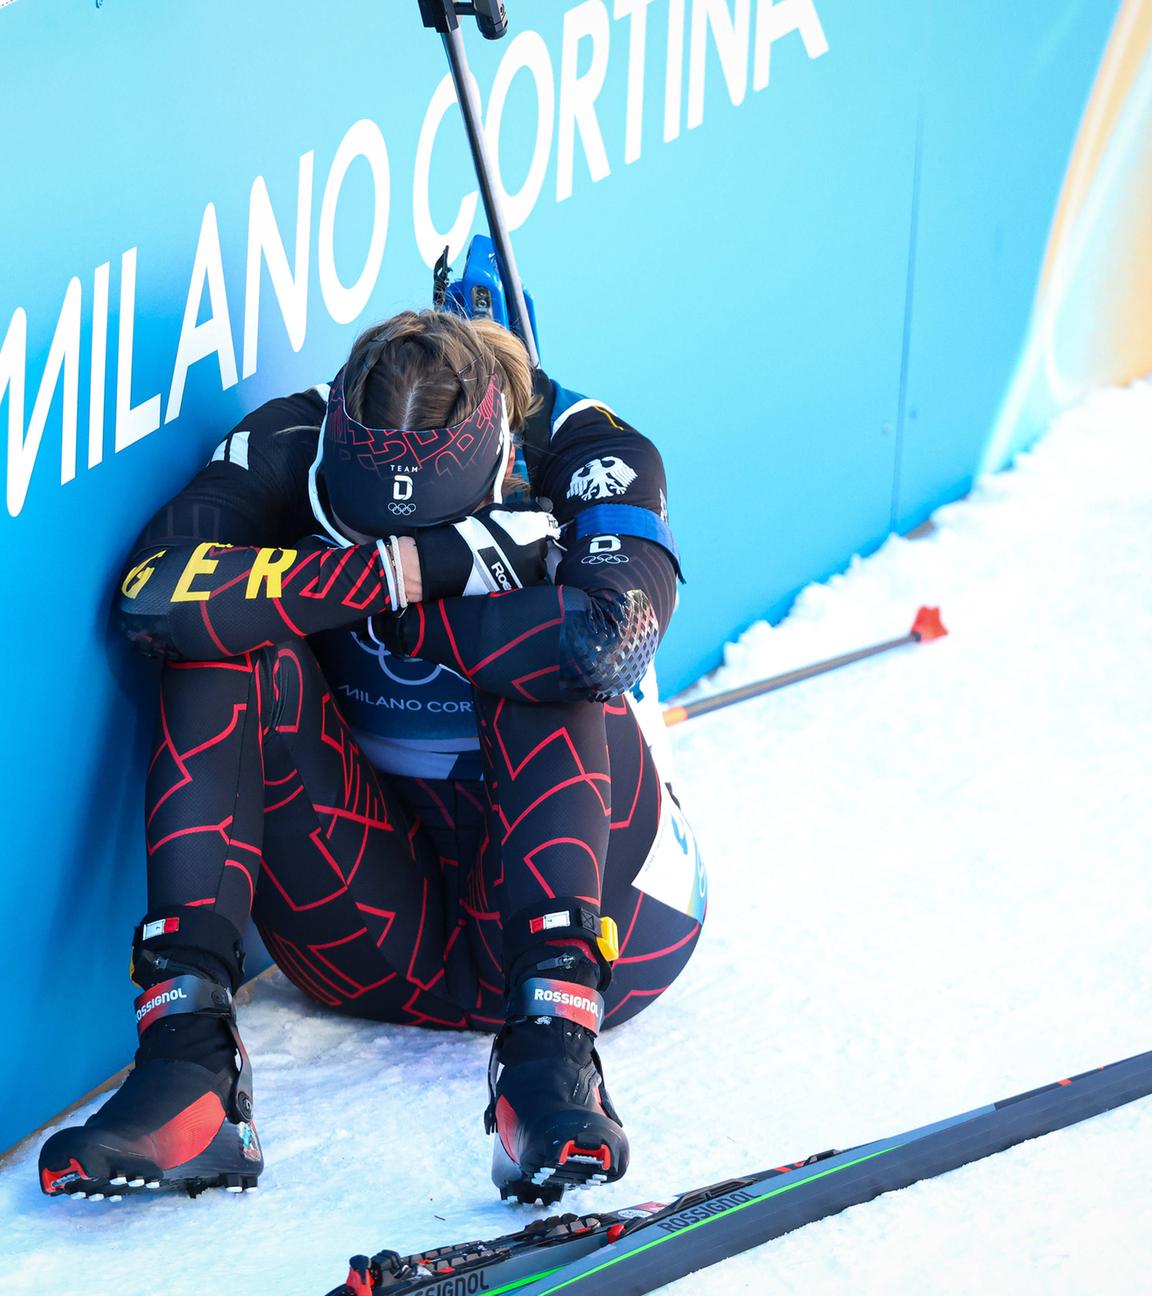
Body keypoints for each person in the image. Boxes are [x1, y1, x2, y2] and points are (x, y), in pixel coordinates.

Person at [38, 309, 706, 1206]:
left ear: (501, 455)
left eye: (432, 525)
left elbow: (607, 644)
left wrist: (350, 598)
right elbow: (154, 597)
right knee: (223, 647)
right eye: (360, 524)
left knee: (544, 658)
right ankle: (189, 1065)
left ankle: (553, 1063)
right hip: (372, 932)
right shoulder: (289, 434)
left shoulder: (589, 450)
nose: (385, 542)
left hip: (611, 926)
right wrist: (414, 570)